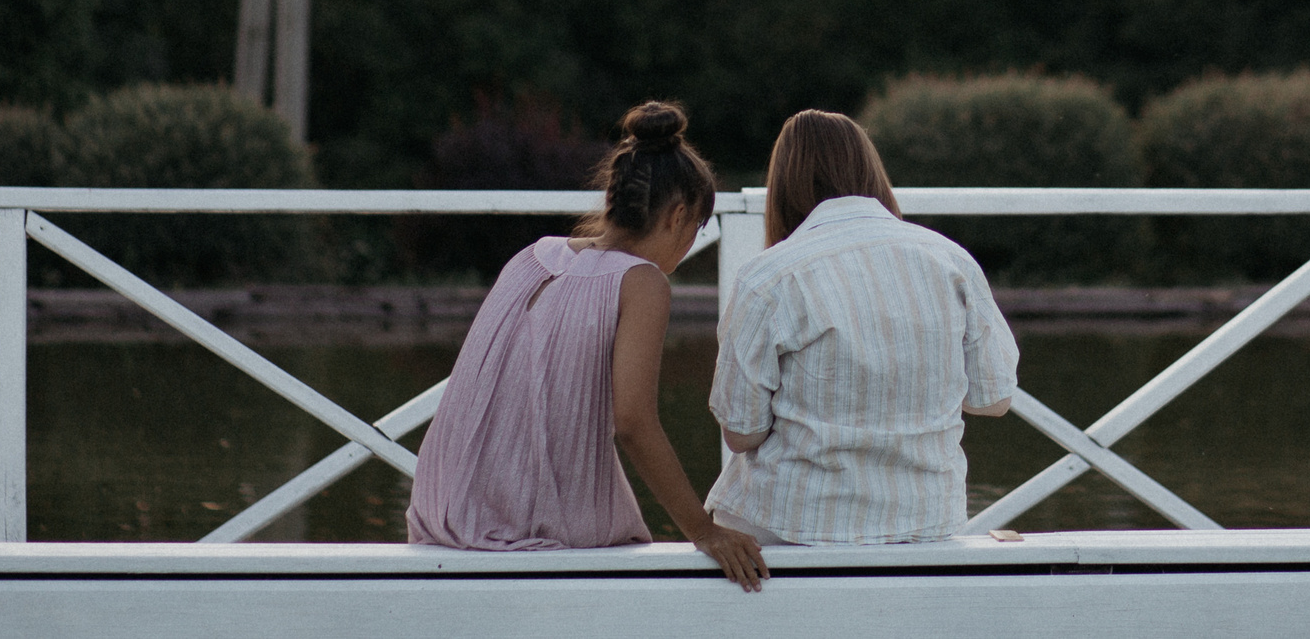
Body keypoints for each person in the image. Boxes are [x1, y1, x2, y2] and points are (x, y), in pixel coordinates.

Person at [406, 100, 769, 590]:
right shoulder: (642, 282)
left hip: (441, 507)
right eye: (696, 229)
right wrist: (705, 531)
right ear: (678, 215)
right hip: (527, 524)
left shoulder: (533, 256)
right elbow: (633, 423)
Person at [705, 109, 1019, 545]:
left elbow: (742, 435)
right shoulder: (951, 260)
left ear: (784, 186)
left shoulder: (767, 277)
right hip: (925, 521)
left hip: (793, 524)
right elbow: (994, 399)